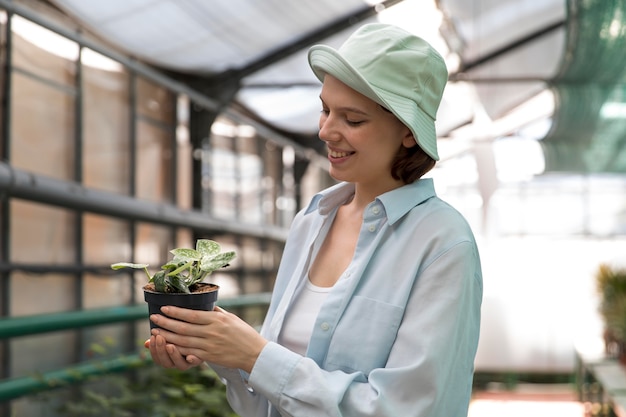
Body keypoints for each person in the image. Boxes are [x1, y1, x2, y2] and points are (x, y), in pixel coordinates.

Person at [146, 22, 483, 417]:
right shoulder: (312, 221)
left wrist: (255, 356)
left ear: (408, 132)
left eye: (352, 120)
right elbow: (268, 404)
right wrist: (216, 346)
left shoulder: (443, 243)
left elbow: (411, 409)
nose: (325, 130)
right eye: (325, 109)